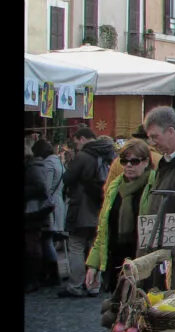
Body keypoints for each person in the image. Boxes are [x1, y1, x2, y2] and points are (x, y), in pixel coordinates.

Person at [84, 139, 157, 295]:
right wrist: (94, 264)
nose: (128, 165)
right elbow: (104, 228)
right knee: (116, 308)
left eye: (134, 161)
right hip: (116, 257)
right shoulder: (115, 187)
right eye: (124, 161)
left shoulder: (155, 185)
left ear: (145, 162)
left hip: (142, 259)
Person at [60, 127, 117, 298]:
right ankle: (93, 285)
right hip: (100, 205)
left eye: (77, 140)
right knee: (95, 245)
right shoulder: (107, 155)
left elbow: (68, 178)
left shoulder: (84, 156)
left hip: (82, 207)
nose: (76, 144)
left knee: (76, 246)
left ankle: (76, 285)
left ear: (83, 138)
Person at [25, 140, 66, 293]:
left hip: (46, 205)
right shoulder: (56, 162)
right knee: (46, 240)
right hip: (55, 203)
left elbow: (45, 187)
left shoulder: (46, 165)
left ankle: (50, 274)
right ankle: (50, 273)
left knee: (45, 240)